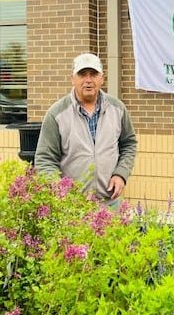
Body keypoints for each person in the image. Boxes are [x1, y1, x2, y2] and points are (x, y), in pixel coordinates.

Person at [35, 53, 137, 206]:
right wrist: (60, 190)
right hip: (72, 205)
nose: (88, 80)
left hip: (110, 202)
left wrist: (121, 174)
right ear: (72, 79)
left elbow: (129, 144)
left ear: (101, 78)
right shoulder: (57, 114)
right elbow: (45, 159)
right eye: (82, 74)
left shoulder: (117, 108)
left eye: (93, 74)